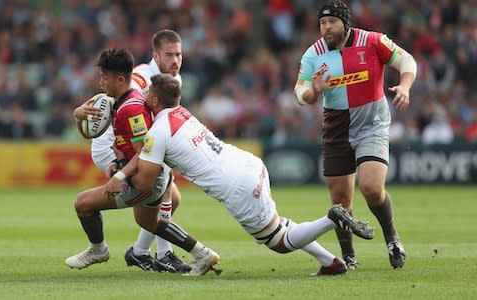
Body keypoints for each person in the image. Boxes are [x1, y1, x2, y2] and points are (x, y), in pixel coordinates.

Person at [104, 73, 376, 276]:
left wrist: (121, 176)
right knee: (277, 223)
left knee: (278, 242)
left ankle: (332, 217)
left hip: (237, 187)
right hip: (248, 163)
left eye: (148, 94)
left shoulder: (158, 132)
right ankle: (331, 263)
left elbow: (146, 182)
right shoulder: (183, 113)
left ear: (153, 99)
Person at [65, 48, 220, 277]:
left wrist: (119, 177)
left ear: (120, 79)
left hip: (146, 179)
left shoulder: (131, 109)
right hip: (149, 175)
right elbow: (124, 146)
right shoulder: (122, 101)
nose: (100, 82)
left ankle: (98, 250)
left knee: (83, 204)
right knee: (152, 223)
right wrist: (117, 162)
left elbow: (144, 153)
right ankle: (203, 253)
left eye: (104, 77)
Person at [293, 0, 417, 269]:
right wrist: (314, 91)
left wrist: (405, 86)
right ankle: (349, 256)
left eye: (332, 22)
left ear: (345, 23)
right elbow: (300, 93)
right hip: (336, 128)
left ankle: (392, 237)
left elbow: (407, 60)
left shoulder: (373, 41)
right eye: (323, 23)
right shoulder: (313, 54)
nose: (326, 28)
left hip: (371, 124)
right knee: (340, 203)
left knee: (372, 189)